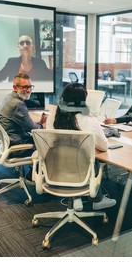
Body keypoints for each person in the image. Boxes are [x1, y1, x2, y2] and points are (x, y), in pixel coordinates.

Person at [46, 83, 116, 211]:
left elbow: (50, 142)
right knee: (89, 156)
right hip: (81, 171)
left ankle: (76, 198)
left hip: (55, 168)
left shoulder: (53, 117)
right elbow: (104, 147)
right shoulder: (89, 120)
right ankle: (97, 200)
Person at [0, 73, 47, 159]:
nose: (28, 90)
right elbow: (35, 130)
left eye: (30, 87)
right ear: (15, 88)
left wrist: (38, 123)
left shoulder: (10, 97)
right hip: (18, 147)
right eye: (25, 87)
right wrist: (43, 124)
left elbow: (26, 124)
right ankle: (38, 171)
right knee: (48, 143)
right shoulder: (18, 105)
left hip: (10, 141)